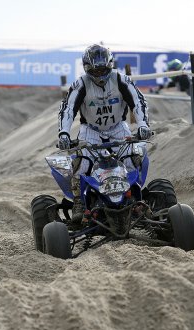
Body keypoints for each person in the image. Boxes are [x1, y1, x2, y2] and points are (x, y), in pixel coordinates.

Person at [58, 44, 151, 223]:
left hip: (119, 128)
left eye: (103, 69)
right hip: (90, 130)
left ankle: (137, 200)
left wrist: (143, 125)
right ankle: (79, 202)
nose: (100, 74)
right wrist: (63, 133)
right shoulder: (80, 83)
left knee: (133, 158)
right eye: (95, 70)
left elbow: (138, 102)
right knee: (82, 164)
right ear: (87, 68)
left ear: (110, 65)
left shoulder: (121, 79)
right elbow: (67, 109)